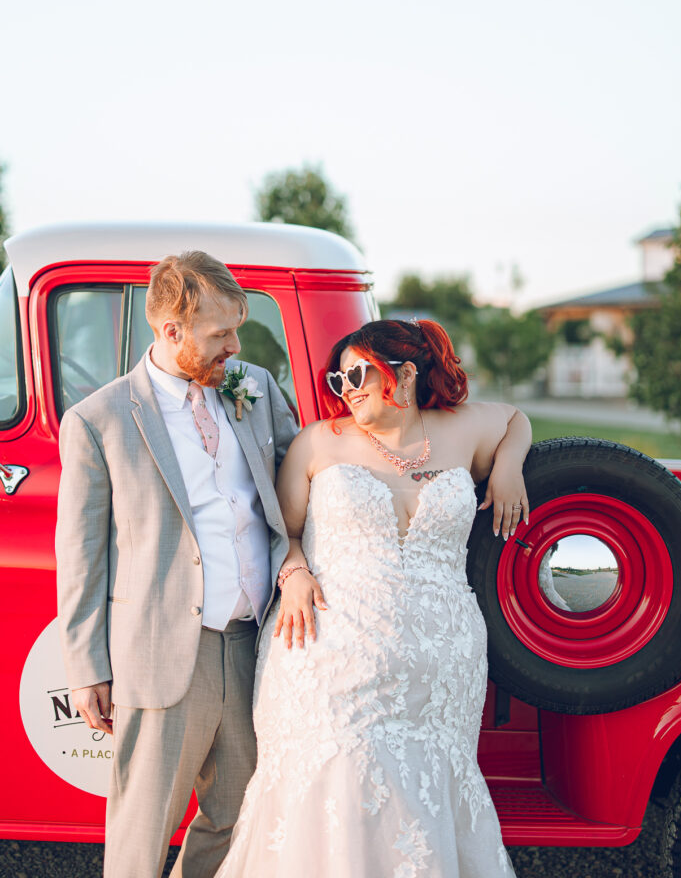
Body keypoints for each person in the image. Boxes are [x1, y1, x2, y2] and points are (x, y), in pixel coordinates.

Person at [217, 318, 530, 877]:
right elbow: (281, 534)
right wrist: (294, 573)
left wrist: (507, 468)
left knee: (429, 797)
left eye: (358, 374)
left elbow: (515, 420)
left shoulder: (461, 428)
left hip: (442, 670)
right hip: (333, 654)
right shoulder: (320, 442)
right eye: (338, 380)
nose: (347, 388)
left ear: (404, 374)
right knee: (338, 784)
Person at [55, 251, 322, 878]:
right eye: (221, 333)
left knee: (240, 815)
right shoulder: (98, 420)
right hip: (165, 649)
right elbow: (81, 554)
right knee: (142, 833)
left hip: (256, 644)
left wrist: (296, 563)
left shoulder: (254, 388)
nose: (235, 346)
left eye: (237, 330)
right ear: (172, 330)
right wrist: (87, 667)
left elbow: (302, 483)